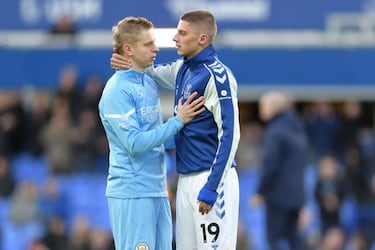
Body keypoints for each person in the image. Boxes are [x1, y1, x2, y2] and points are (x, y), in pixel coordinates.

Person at [111, 10, 241, 250]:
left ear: (202, 39)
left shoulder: (218, 76)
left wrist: (212, 186)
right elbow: (149, 71)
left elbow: (231, 135)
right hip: (185, 180)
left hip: (210, 179)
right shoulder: (182, 69)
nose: (174, 38)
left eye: (182, 33)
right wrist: (128, 61)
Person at [98, 16, 206, 250]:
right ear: (128, 49)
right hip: (132, 192)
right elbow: (134, 143)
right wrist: (178, 121)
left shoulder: (148, 82)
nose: (156, 48)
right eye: (148, 44)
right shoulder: (116, 91)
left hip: (157, 188)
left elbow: (157, 136)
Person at [251, 91, 308, 250]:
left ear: (273, 108)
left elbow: (270, 165)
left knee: (273, 239)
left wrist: (260, 192)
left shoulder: (275, 131)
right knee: (294, 239)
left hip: (277, 195)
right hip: (296, 195)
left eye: (263, 106)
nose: (260, 110)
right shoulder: (298, 128)